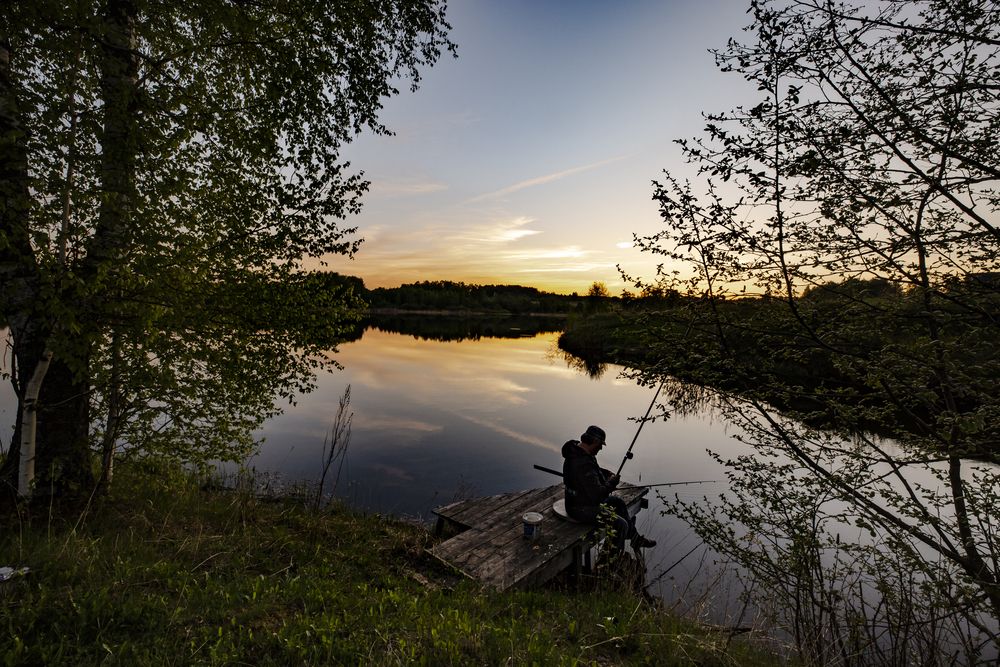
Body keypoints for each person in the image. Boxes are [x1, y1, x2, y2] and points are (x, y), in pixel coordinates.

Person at [561, 424, 656, 553]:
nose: (600, 448)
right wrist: (611, 484)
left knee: (618, 502)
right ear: (594, 441)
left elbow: (594, 470)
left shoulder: (580, 452)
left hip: (581, 500)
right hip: (580, 508)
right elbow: (597, 496)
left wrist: (606, 474)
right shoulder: (582, 463)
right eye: (600, 444)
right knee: (621, 524)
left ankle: (635, 540)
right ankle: (609, 564)